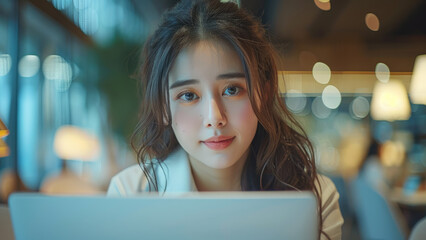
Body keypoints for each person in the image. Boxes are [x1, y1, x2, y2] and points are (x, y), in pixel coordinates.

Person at [107, 0, 343, 239]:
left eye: (232, 90)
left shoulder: (315, 197)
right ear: (162, 107)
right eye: (188, 95)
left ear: (265, 92)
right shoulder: (130, 194)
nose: (214, 118)